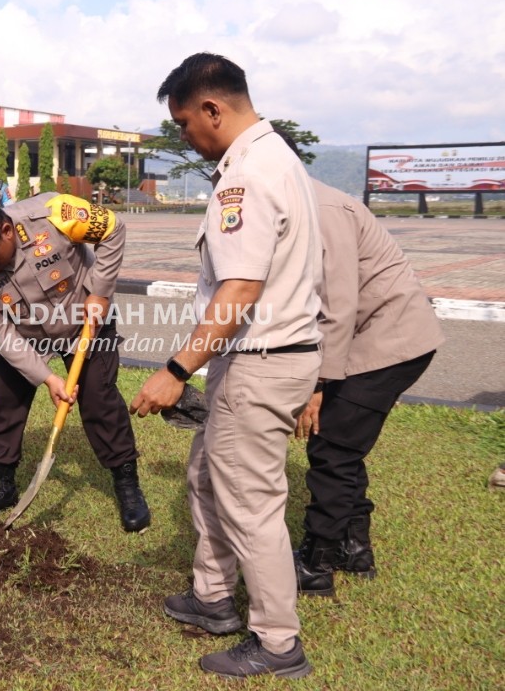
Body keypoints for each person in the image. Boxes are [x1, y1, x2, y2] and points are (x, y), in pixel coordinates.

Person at [129, 53, 323, 679]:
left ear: (213, 108)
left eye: (184, 122)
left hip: (260, 363)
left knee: (251, 505)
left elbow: (239, 292)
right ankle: (212, 598)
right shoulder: (274, 161)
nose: (183, 135)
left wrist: (176, 371)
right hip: (262, 360)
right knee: (208, 477)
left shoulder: (248, 176)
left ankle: (276, 642)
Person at [277, 133, 445, 596]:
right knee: (342, 443)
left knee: (331, 450)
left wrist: (317, 384)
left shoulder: (323, 210)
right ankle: (354, 549)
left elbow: (338, 304)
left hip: (388, 340)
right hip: (374, 337)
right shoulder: (300, 202)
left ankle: (317, 564)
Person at [0, 193, 150, 533]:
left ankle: (126, 482)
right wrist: (46, 377)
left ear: (6, 230)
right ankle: (2, 484)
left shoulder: (54, 212)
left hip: (84, 320)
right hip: (25, 333)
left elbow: (114, 229)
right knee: (3, 397)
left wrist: (100, 292)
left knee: (99, 399)